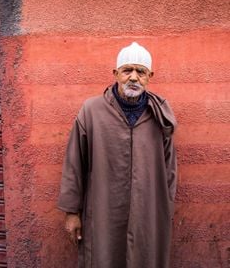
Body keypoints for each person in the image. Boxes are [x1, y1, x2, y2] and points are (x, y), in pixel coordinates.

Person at [58, 42, 177, 268]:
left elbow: (170, 168)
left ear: (149, 76)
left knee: (147, 256)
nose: (133, 77)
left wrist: (165, 207)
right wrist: (72, 212)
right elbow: (74, 163)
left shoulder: (161, 116)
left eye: (140, 72)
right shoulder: (91, 111)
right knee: (103, 256)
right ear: (116, 74)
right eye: (127, 70)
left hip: (149, 208)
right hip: (103, 208)